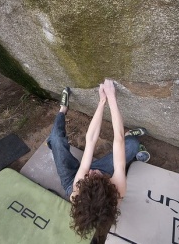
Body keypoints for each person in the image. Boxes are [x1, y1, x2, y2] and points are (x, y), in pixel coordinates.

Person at [47, 79, 150, 242]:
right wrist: (112, 98)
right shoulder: (118, 189)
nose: (91, 170)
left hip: (72, 181)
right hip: (93, 182)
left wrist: (102, 101)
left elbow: (91, 140)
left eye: (89, 174)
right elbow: (119, 139)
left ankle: (62, 109)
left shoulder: (77, 192)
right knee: (131, 144)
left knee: (56, 140)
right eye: (94, 174)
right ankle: (63, 111)